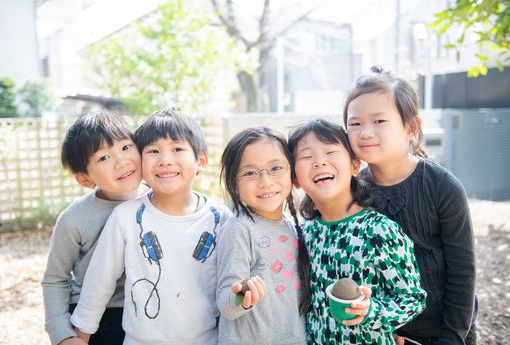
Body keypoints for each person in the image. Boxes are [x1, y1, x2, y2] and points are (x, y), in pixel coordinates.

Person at [70, 106, 230, 345]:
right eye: (153, 151)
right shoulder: (126, 217)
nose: (165, 161)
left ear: (201, 160)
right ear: (141, 162)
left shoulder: (221, 217)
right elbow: (98, 284)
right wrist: (80, 337)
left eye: (177, 149)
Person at [344, 66, 477, 345]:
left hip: (443, 332)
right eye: (355, 124)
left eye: (379, 121)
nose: (365, 132)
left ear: (411, 127)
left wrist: (452, 337)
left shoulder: (442, 187)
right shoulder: (352, 191)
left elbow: (463, 272)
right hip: (381, 333)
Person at [287, 119, 426, 345]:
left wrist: (371, 311)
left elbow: (412, 299)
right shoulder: (306, 232)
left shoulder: (379, 230)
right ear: (295, 179)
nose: (319, 162)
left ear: (354, 165)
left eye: (330, 152)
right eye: (306, 157)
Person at [42, 110, 148, 345]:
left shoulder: (160, 200)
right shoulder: (75, 218)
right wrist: (62, 334)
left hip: (149, 309)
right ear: (84, 179)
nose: (122, 162)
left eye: (125, 147)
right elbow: (55, 278)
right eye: (103, 158)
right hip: (97, 319)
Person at [217, 127, 309, 345]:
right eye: (250, 173)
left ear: (292, 173)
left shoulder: (293, 226)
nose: (265, 181)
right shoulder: (239, 228)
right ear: (234, 183)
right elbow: (225, 302)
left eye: (275, 168)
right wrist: (243, 295)